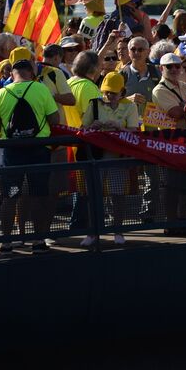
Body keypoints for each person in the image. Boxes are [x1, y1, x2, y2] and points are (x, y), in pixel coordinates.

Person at [0, 48, 63, 254]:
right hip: (38, 150)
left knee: (10, 196)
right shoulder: (41, 89)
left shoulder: (2, 93)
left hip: (12, 152)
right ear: (31, 72)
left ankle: (6, 243)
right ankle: (38, 242)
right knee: (38, 194)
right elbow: (55, 120)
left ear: (12, 74)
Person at [78, 71, 140, 247]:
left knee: (118, 195)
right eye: (106, 92)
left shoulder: (130, 106)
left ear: (122, 91)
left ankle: (118, 230)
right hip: (96, 156)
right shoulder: (94, 104)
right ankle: (93, 232)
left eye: (112, 92)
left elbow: (135, 133)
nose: (108, 96)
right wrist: (93, 126)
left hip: (118, 157)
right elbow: (82, 129)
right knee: (93, 195)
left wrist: (119, 128)